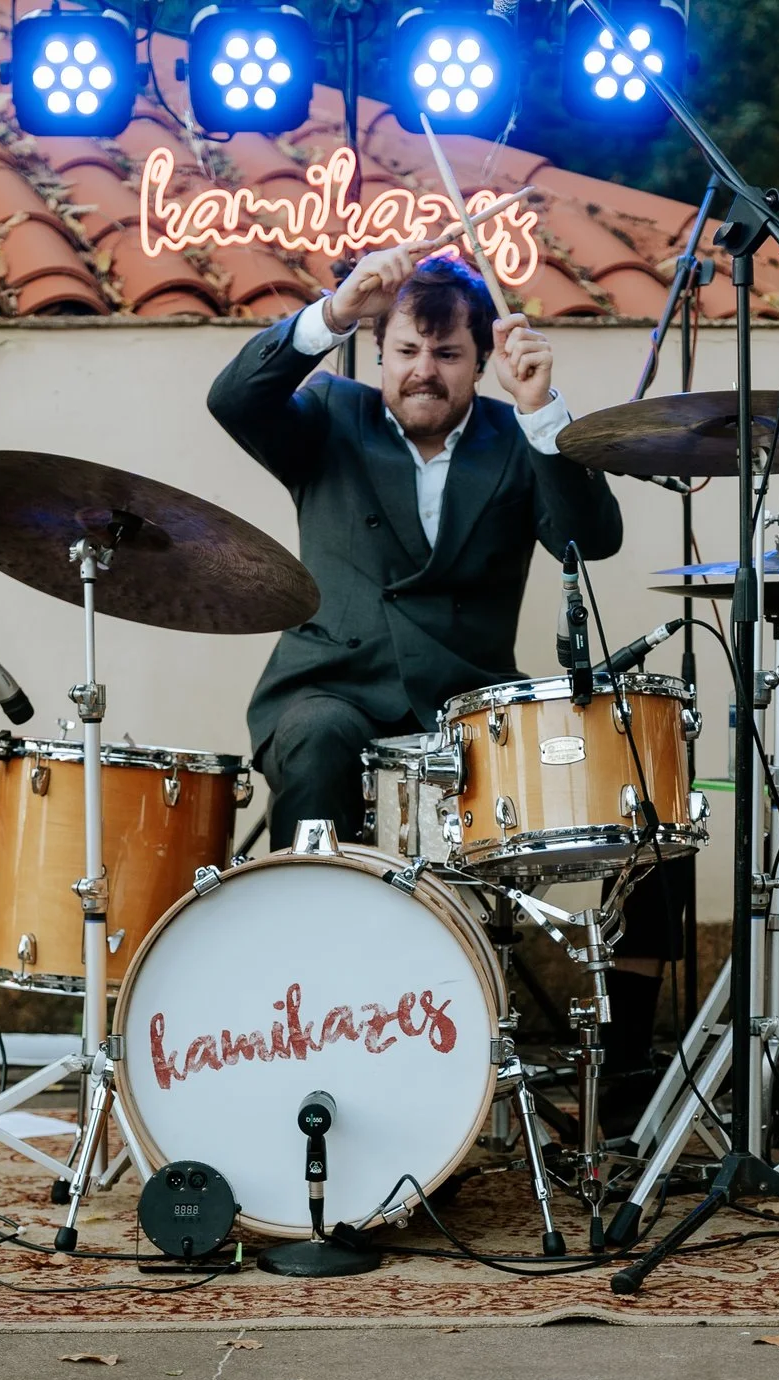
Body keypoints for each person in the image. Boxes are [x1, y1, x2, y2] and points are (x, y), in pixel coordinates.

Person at [208, 248, 684, 1114]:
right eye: (405, 352)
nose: (423, 371)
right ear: (380, 351)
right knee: (315, 737)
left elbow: (591, 538)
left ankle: (618, 1078)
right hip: (334, 691)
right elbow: (233, 398)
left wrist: (545, 413)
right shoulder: (328, 414)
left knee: (652, 791)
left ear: (479, 359)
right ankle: (311, 1001)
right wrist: (335, 311)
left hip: (467, 715)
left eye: (447, 355)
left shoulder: (513, 436)